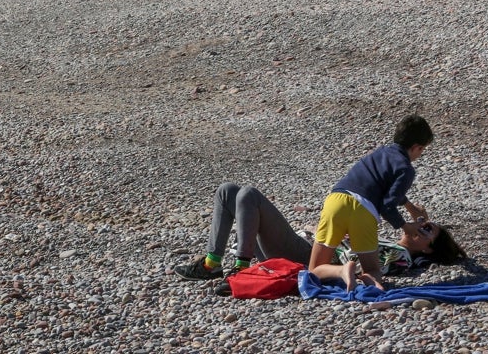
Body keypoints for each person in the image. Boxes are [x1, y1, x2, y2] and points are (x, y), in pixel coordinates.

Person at [172, 182, 464, 286]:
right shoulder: (390, 239)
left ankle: (240, 269)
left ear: (427, 249)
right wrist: (414, 211)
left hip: (303, 258)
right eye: (426, 222)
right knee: (228, 191)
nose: (422, 225)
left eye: (427, 229)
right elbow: (385, 196)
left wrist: (336, 241)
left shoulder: (401, 257)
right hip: (305, 245)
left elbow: (367, 267)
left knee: (248, 195)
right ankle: (212, 263)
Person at [309, 114, 435, 290]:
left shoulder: (381, 152)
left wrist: (410, 207)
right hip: (364, 210)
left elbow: (382, 185)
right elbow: (387, 204)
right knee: (373, 270)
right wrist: (406, 226)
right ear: (416, 147)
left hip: (337, 200)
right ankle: (364, 277)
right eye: (422, 150)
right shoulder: (406, 169)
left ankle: (341, 271)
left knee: (314, 270)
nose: (420, 155)